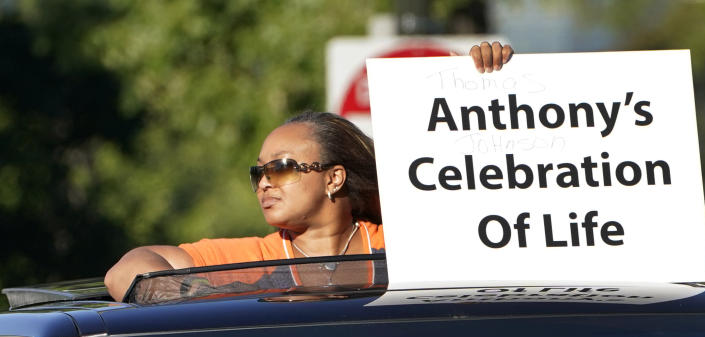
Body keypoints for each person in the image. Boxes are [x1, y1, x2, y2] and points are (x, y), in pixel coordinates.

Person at [104, 42, 514, 301]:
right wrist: (197, 293)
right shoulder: (255, 258)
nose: (264, 181)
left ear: (334, 178)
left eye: (280, 168)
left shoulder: (403, 243)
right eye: (258, 172)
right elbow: (126, 271)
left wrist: (481, 86)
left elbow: (499, 219)